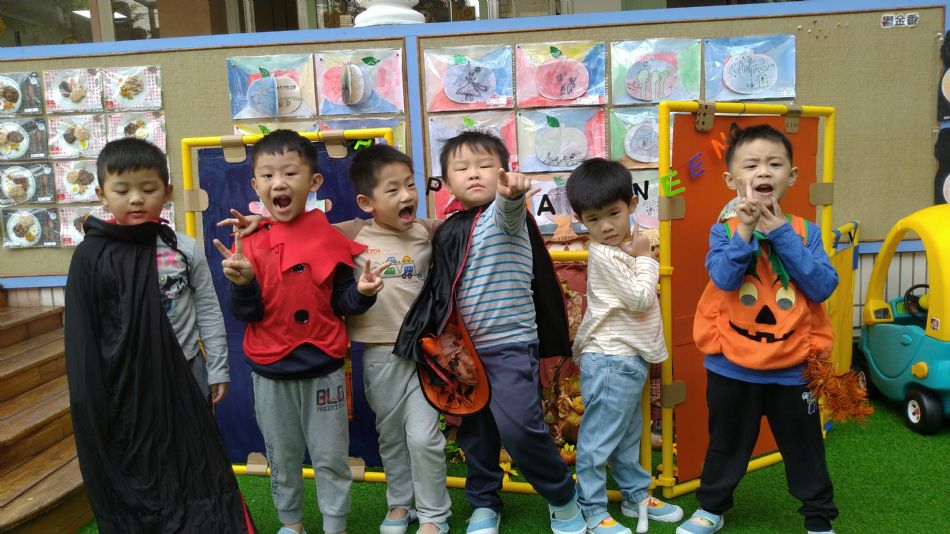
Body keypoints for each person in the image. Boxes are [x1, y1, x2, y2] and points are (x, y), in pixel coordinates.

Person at [394, 131, 585, 534]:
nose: (474, 173)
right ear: (448, 184)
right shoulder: (450, 229)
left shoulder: (503, 218)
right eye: (462, 168)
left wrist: (512, 193)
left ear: (502, 172)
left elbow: (509, 207)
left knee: (520, 428)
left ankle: (562, 496)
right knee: (475, 433)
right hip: (463, 353)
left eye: (484, 165)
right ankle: (484, 502)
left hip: (510, 346)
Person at [64, 138, 254, 533]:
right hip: (128, 383)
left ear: (166, 191)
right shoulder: (91, 256)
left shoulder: (184, 249)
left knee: (191, 455)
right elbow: (84, 333)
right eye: (122, 190)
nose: (136, 199)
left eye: (148, 189)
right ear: (102, 194)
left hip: (187, 370)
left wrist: (218, 368)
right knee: (140, 460)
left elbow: (208, 310)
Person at [213, 129, 388, 534]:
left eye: (290, 173)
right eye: (268, 175)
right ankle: (291, 524)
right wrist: (243, 284)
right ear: (255, 184)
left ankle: (335, 525)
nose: (279, 182)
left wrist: (362, 294)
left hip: (324, 370)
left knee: (331, 456)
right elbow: (246, 313)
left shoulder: (329, 237)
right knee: (281, 457)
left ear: (313, 181)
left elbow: (343, 301)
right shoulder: (249, 242)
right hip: (270, 374)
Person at [679, 124, 839, 534]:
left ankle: (818, 516)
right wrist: (746, 231)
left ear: (792, 175)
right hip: (731, 366)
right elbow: (724, 279)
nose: (763, 171)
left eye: (774, 164)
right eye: (751, 165)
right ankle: (711, 507)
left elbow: (822, 286)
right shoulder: (723, 230)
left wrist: (781, 234)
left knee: (805, 448)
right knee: (726, 443)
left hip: (793, 368)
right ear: (732, 180)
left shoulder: (807, 232)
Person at [337, 144, 452, 534]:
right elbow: (303, 231)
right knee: (391, 436)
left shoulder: (427, 231)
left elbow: (468, 226)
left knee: (424, 438)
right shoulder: (353, 233)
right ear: (367, 202)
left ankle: (434, 515)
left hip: (423, 352)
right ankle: (401, 503)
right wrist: (262, 222)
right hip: (379, 354)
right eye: (393, 189)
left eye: (410, 184)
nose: (407, 195)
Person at [564, 158, 683, 534]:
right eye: (593, 219)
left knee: (628, 436)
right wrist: (646, 260)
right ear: (582, 221)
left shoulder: (621, 249)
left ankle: (634, 495)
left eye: (613, 213)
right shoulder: (603, 254)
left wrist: (639, 256)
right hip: (610, 359)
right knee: (599, 440)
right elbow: (640, 298)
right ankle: (591, 508)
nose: (606, 226)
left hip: (627, 359)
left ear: (632, 204)